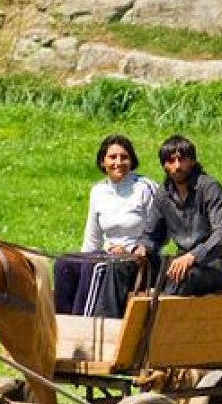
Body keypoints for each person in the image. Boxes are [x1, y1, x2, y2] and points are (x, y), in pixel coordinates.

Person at [54, 134, 158, 317]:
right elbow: (92, 235)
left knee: (94, 266)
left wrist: (132, 249)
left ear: (131, 160)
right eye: (112, 157)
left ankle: (83, 325)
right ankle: (61, 323)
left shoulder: (144, 188)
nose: (118, 162)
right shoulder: (98, 191)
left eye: (124, 157)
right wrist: (82, 258)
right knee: (65, 264)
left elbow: (159, 229)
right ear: (103, 162)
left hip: (138, 259)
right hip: (107, 254)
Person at [133, 134, 222, 296]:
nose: (177, 166)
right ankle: (108, 319)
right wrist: (141, 248)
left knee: (180, 276)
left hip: (213, 265)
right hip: (179, 262)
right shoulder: (163, 194)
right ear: (163, 165)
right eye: (170, 161)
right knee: (126, 267)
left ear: (192, 161)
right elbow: (151, 235)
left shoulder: (210, 188)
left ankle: (161, 320)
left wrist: (193, 256)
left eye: (182, 159)